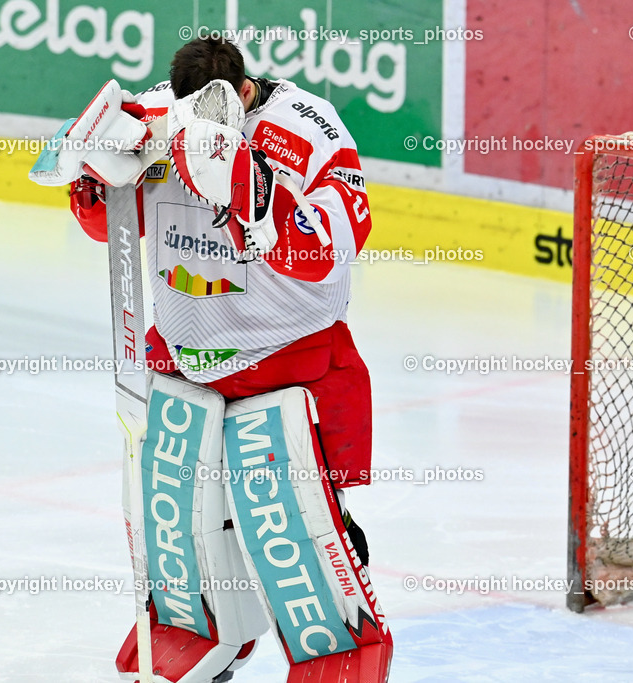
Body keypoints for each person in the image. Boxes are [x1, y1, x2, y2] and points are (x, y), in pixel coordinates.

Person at [60, 37, 389, 682]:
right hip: (184, 359)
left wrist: (248, 184)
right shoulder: (157, 115)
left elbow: (336, 247)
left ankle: (336, 651)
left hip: (285, 361)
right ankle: (191, 638)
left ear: (244, 92)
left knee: (290, 533)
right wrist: (93, 175)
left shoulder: (309, 127)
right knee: (176, 527)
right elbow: (104, 225)